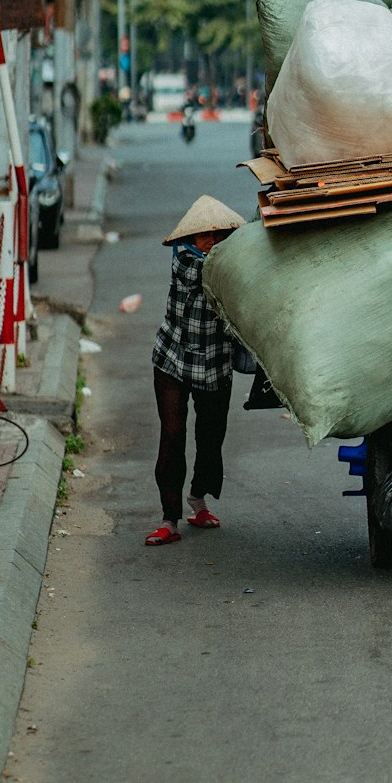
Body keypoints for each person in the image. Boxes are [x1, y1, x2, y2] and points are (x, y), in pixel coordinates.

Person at [145, 196, 246, 546]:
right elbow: (208, 274)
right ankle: (169, 518)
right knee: (172, 434)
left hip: (216, 364)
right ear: (192, 237)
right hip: (172, 359)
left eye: (219, 235)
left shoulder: (231, 266)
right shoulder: (186, 261)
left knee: (211, 435)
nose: (212, 241)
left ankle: (198, 500)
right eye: (205, 235)